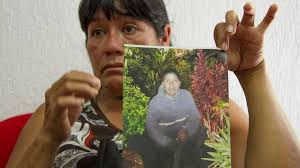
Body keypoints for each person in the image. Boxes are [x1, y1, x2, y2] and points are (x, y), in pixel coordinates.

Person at [5, 0, 300, 168]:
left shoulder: (205, 105)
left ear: (164, 35)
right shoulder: (58, 111)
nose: (111, 45)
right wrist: (48, 138)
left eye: (129, 28)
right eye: (96, 32)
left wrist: (253, 72)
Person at [145, 69, 205, 168]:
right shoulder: (155, 103)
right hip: (164, 139)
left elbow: (195, 117)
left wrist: (186, 130)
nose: (171, 84)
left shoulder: (186, 95)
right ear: (163, 84)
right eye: (168, 81)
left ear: (180, 83)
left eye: (175, 81)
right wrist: (167, 143)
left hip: (183, 134)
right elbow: (151, 129)